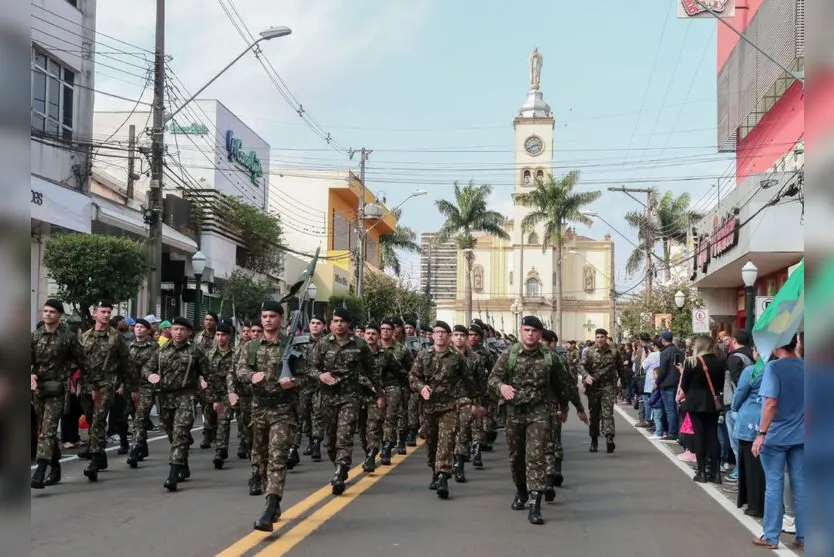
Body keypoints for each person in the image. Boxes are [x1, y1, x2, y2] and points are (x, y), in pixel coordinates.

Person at [488, 316, 585, 525]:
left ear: (540, 334)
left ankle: (535, 503)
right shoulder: (509, 355)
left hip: (539, 413)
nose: (530, 334)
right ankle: (521, 491)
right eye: (526, 330)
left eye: (534, 330)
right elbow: (493, 379)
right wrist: (502, 387)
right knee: (516, 458)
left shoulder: (550, 358)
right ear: (521, 331)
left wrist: (577, 407)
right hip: (514, 414)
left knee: (536, 457)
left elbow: (565, 385)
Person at [306, 308, 382, 495]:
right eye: (335, 320)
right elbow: (310, 368)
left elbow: (372, 370)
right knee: (330, 439)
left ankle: (341, 470)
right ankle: (337, 463)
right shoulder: (323, 344)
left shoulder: (359, 345)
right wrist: (321, 375)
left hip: (350, 397)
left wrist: (379, 393)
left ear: (349, 325)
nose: (338, 324)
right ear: (331, 324)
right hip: (328, 397)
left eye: (342, 321)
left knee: (345, 434)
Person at [409, 321, 481, 500]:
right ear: (432, 336)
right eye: (437, 332)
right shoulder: (424, 355)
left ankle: (443, 476)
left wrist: (476, 403)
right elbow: (413, 377)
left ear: (448, 337)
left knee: (446, 440)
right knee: (432, 443)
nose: (440, 335)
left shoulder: (456, 358)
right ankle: (435, 470)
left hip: (450, 407)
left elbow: (468, 380)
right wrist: (421, 387)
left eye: (443, 332)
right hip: (429, 408)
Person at [141, 317, 210, 491]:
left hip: (186, 396)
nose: (178, 332)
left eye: (182, 329)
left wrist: (203, 380)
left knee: (180, 433)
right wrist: (151, 376)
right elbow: (146, 367)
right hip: (164, 398)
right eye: (175, 329)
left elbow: (208, 370)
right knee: (172, 433)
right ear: (170, 331)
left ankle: (172, 475)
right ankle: (182, 463)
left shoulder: (195, 350)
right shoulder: (161, 349)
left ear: (188, 332)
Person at [751, 335, 804, 550]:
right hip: (801, 434)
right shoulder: (807, 367)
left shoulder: (773, 368)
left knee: (774, 484)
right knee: (801, 485)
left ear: (778, 346)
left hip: (776, 435)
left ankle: (771, 536)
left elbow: (770, 403)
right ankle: (804, 536)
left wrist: (762, 433)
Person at [677, 335, 726, 484]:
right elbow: (721, 383)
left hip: (695, 402)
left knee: (699, 436)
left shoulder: (692, 362)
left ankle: (702, 471)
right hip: (713, 402)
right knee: (713, 435)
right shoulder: (720, 362)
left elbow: (684, 385)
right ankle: (716, 472)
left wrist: (680, 397)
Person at [578, 328, 624, 453]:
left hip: (608, 386)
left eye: (602, 337)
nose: (599, 340)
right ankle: (594, 440)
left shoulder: (614, 352)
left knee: (607, 413)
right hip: (593, 387)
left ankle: (609, 438)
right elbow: (581, 366)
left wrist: (623, 382)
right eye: (597, 337)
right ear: (595, 338)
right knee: (594, 415)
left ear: (606, 338)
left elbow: (620, 368)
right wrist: (586, 376)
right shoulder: (590, 352)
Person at [731, 348, 765, 518]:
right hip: (776, 421)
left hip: (751, 420)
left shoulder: (752, 371)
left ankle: (754, 504)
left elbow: (739, 394)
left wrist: (734, 407)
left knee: (751, 466)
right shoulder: (779, 368)